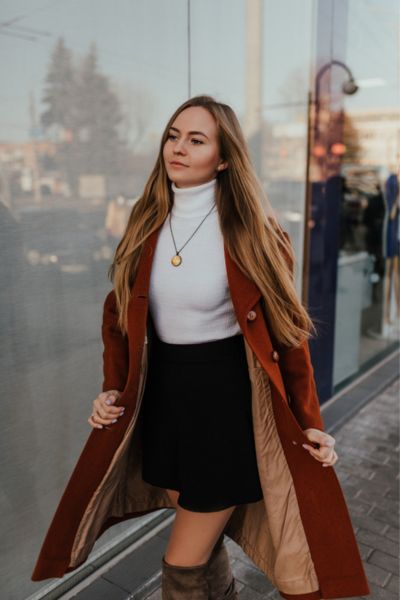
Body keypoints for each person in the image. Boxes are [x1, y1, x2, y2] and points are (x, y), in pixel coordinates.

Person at [87, 95, 339, 599]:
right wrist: (111, 390)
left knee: (179, 564)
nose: (177, 147)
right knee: (201, 546)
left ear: (224, 158)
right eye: (173, 135)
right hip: (164, 407)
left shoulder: (255, 235)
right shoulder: (145, 225)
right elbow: (119, 320)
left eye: (196, 139)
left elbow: (289, 339)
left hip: (226, 414)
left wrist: (310, 420)